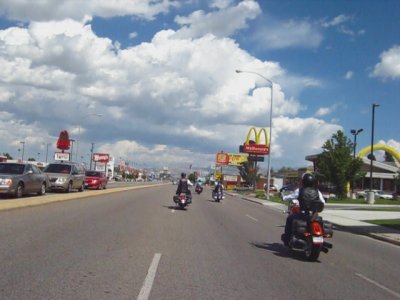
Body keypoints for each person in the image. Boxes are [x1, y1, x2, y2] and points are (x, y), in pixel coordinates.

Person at [281, 173, 325, 246]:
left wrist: (283, 198)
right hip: (314, 216)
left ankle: (287, 239)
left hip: (303, 215)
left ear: (304, 181)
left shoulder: (300, 190)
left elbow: (290, 196)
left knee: (289, 219)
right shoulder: (317, 191)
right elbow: (323, 202)